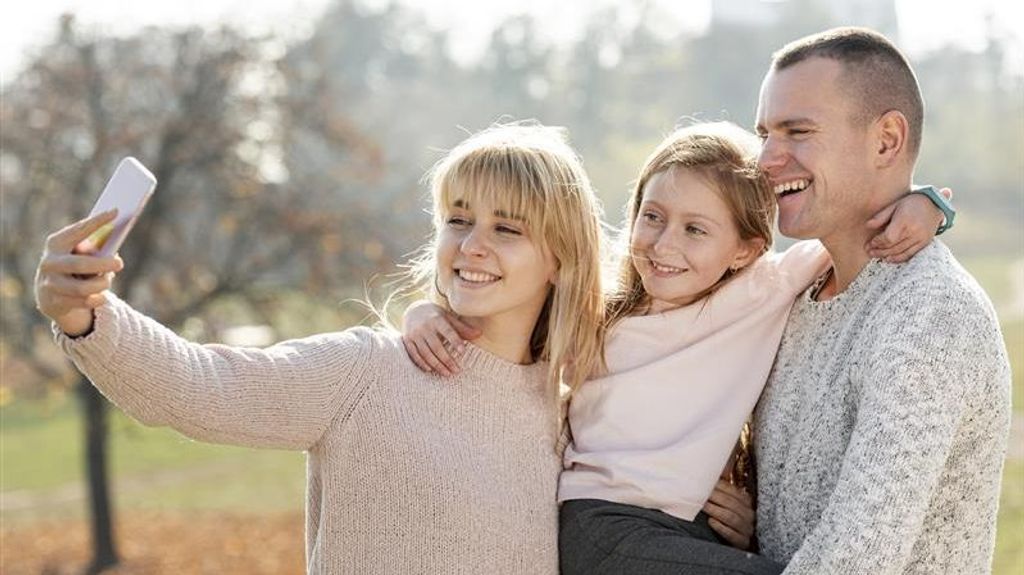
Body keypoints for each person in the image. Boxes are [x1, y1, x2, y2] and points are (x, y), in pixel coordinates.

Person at [34, 123, 607, 574]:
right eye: (458, 220)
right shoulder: (369, 372)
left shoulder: (576, 414)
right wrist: (86, 315)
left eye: (507, 230)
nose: (472, 246)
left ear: (560, 258)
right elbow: (197, 387)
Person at [402, 121, 947, 573]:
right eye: (653, 216)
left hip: (685, 528)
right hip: (604, 529)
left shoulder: (761, 292)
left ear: (745, 250)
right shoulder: (599, 310)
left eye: (695, 230)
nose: (663, 245)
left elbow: (856, 231)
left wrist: (929, 205)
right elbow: (500, 319)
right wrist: (423, 311)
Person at [749, 27, 1012, 574]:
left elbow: (855, 561)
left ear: (887, 141)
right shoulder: (799, 292)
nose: (768, 158)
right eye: (765, 134)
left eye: (797, 131)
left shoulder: (930, 315)